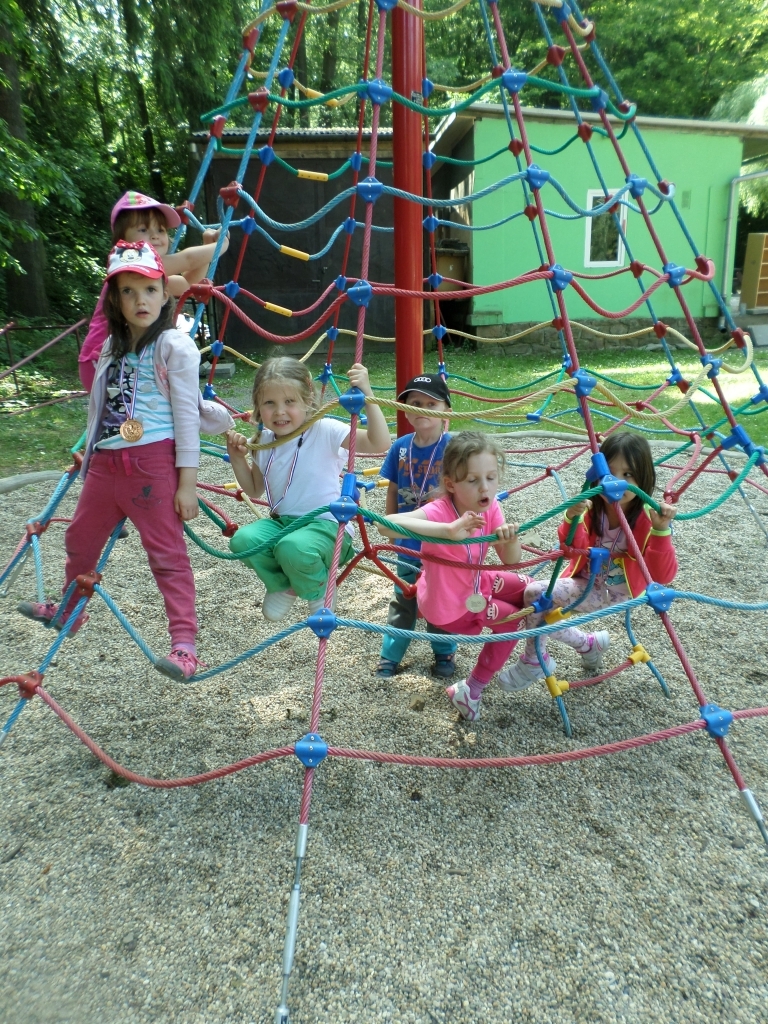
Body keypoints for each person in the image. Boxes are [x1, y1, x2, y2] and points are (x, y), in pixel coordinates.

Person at [18, 240, 234, 680]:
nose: (141, 300)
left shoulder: (174, 345)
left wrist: (187, 483)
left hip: (152, 467)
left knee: (167, 555)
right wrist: (93, 451)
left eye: (150, 290)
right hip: (106, 466)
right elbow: (99, 404)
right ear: (115, 300)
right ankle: (70, 611)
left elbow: (187, 418)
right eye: (128, 292)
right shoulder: (112, 347)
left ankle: (185, 646)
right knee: (79, 539)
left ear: (165, 294)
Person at [499, 431, 678, 691]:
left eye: (627, 474)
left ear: (643, 477)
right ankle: (586, 645)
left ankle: (534, 660)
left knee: (538, 602)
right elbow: (573, 551)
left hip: (619, 592)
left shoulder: (649, 517)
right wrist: (572, 519)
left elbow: (663, 576)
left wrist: (661, 531)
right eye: (610, 472)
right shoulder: (592, 508)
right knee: (538, 602)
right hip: (586, 581)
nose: (616, 482)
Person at [377, 431, 529, 722]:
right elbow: (385, 525)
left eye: (491, 477)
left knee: (537, 593)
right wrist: (447, 531)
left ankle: (555, 649)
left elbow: (511, 560)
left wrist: (510, 539)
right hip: (450, 608)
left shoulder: (490, 507)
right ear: (451, 484)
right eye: (472, 480)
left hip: (475, 587)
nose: (485, 487)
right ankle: (472, 689)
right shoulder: (439, 511)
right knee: (516, 619)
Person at [225, 357, 390, 621]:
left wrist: (368, 394)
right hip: (284, 524)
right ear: (257, 406)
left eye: (289, 401)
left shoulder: (324, 430)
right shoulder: (264, 441)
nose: (279, 411)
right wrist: (237, 458)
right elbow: (254, 490)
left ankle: (318, 589)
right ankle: (284, 586)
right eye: (269, 403)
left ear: (307, 400)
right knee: (242, 540)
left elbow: (379, 443)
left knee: (293, 547)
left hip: (328, 527)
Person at [78, 190, 230, 391]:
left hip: (121, 359)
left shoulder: (152, 276)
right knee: (122, 407)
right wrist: (221, 245)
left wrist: (207, 246)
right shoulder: (133, 260)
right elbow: (187, 259)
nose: (155, 235)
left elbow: (187, 283)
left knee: (131, 408)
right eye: (143, 229)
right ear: (123, 239)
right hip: (102, 358)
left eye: (161, 229)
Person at [374, 373, 457, 680]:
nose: (422, 410)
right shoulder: (401, 447)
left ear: (447, 410)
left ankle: (445, 650)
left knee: (440, 599)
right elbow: (394, 488)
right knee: (403, 598)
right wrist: (390, 525)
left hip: (441, 541)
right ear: (406, 411)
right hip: (407, 541)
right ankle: (391, 654)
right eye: (416, 403)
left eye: (431, 404)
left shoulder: (454, 448)